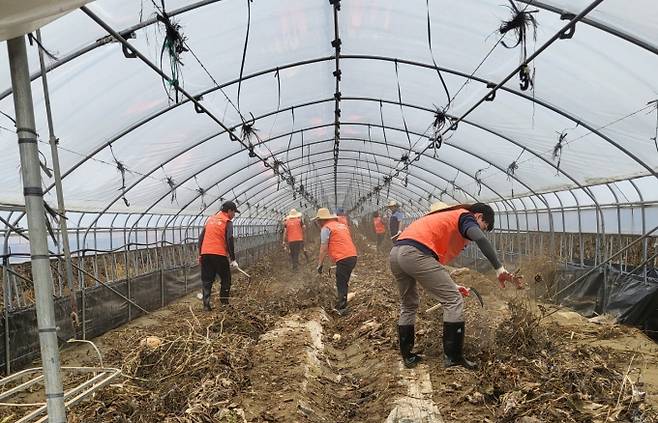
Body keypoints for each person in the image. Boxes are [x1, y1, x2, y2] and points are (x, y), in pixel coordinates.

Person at [389, 202, 523, 369]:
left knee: (408, 305)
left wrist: (451, 285)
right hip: (414, 253)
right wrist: (499, 269)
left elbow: (431, 266)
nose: (480, 230)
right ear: (479, 216)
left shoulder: (441, 218)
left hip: (396, 254)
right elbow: (480, 239)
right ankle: (453, 358)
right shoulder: (466, 216)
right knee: (453, 300)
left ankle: (408, 356)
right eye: (483, 225)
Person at [314, 208, 357, 316]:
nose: (318, 223)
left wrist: (320, 265)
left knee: (341, 283)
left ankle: (342, 308)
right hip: (352, 256)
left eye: (318, 221)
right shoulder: (341, 225)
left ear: (321, 220)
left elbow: (323, 247)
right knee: (343, 281)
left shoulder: (326, 228)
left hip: (343, 257)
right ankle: (342, 301)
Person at [198, 201, 240, 310]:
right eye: (234, 212)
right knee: (226, 279)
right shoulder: (227, 222)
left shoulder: (210, 220)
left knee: (207, 280)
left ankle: (206, 306)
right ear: (229, 211)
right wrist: (233, 259)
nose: (234, 215)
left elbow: (201, 239)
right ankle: (224, 303)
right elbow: (229, 239)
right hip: (219, 254)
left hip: (205, 253)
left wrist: (200, 254)